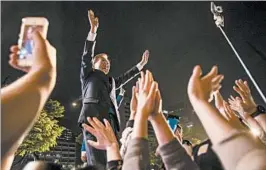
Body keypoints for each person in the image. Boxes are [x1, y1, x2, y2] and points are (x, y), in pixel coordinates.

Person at [78, 10, 149, 167]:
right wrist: (93, 31)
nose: (107, 63)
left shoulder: (111, 81)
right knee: (97, 161)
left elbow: (125, 77)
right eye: (103, 61)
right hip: (93, 120)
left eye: (108, 62)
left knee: (112, 158)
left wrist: (140, 66)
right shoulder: (89, 75)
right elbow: (86, 55)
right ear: (94, 64)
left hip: (111, 123)